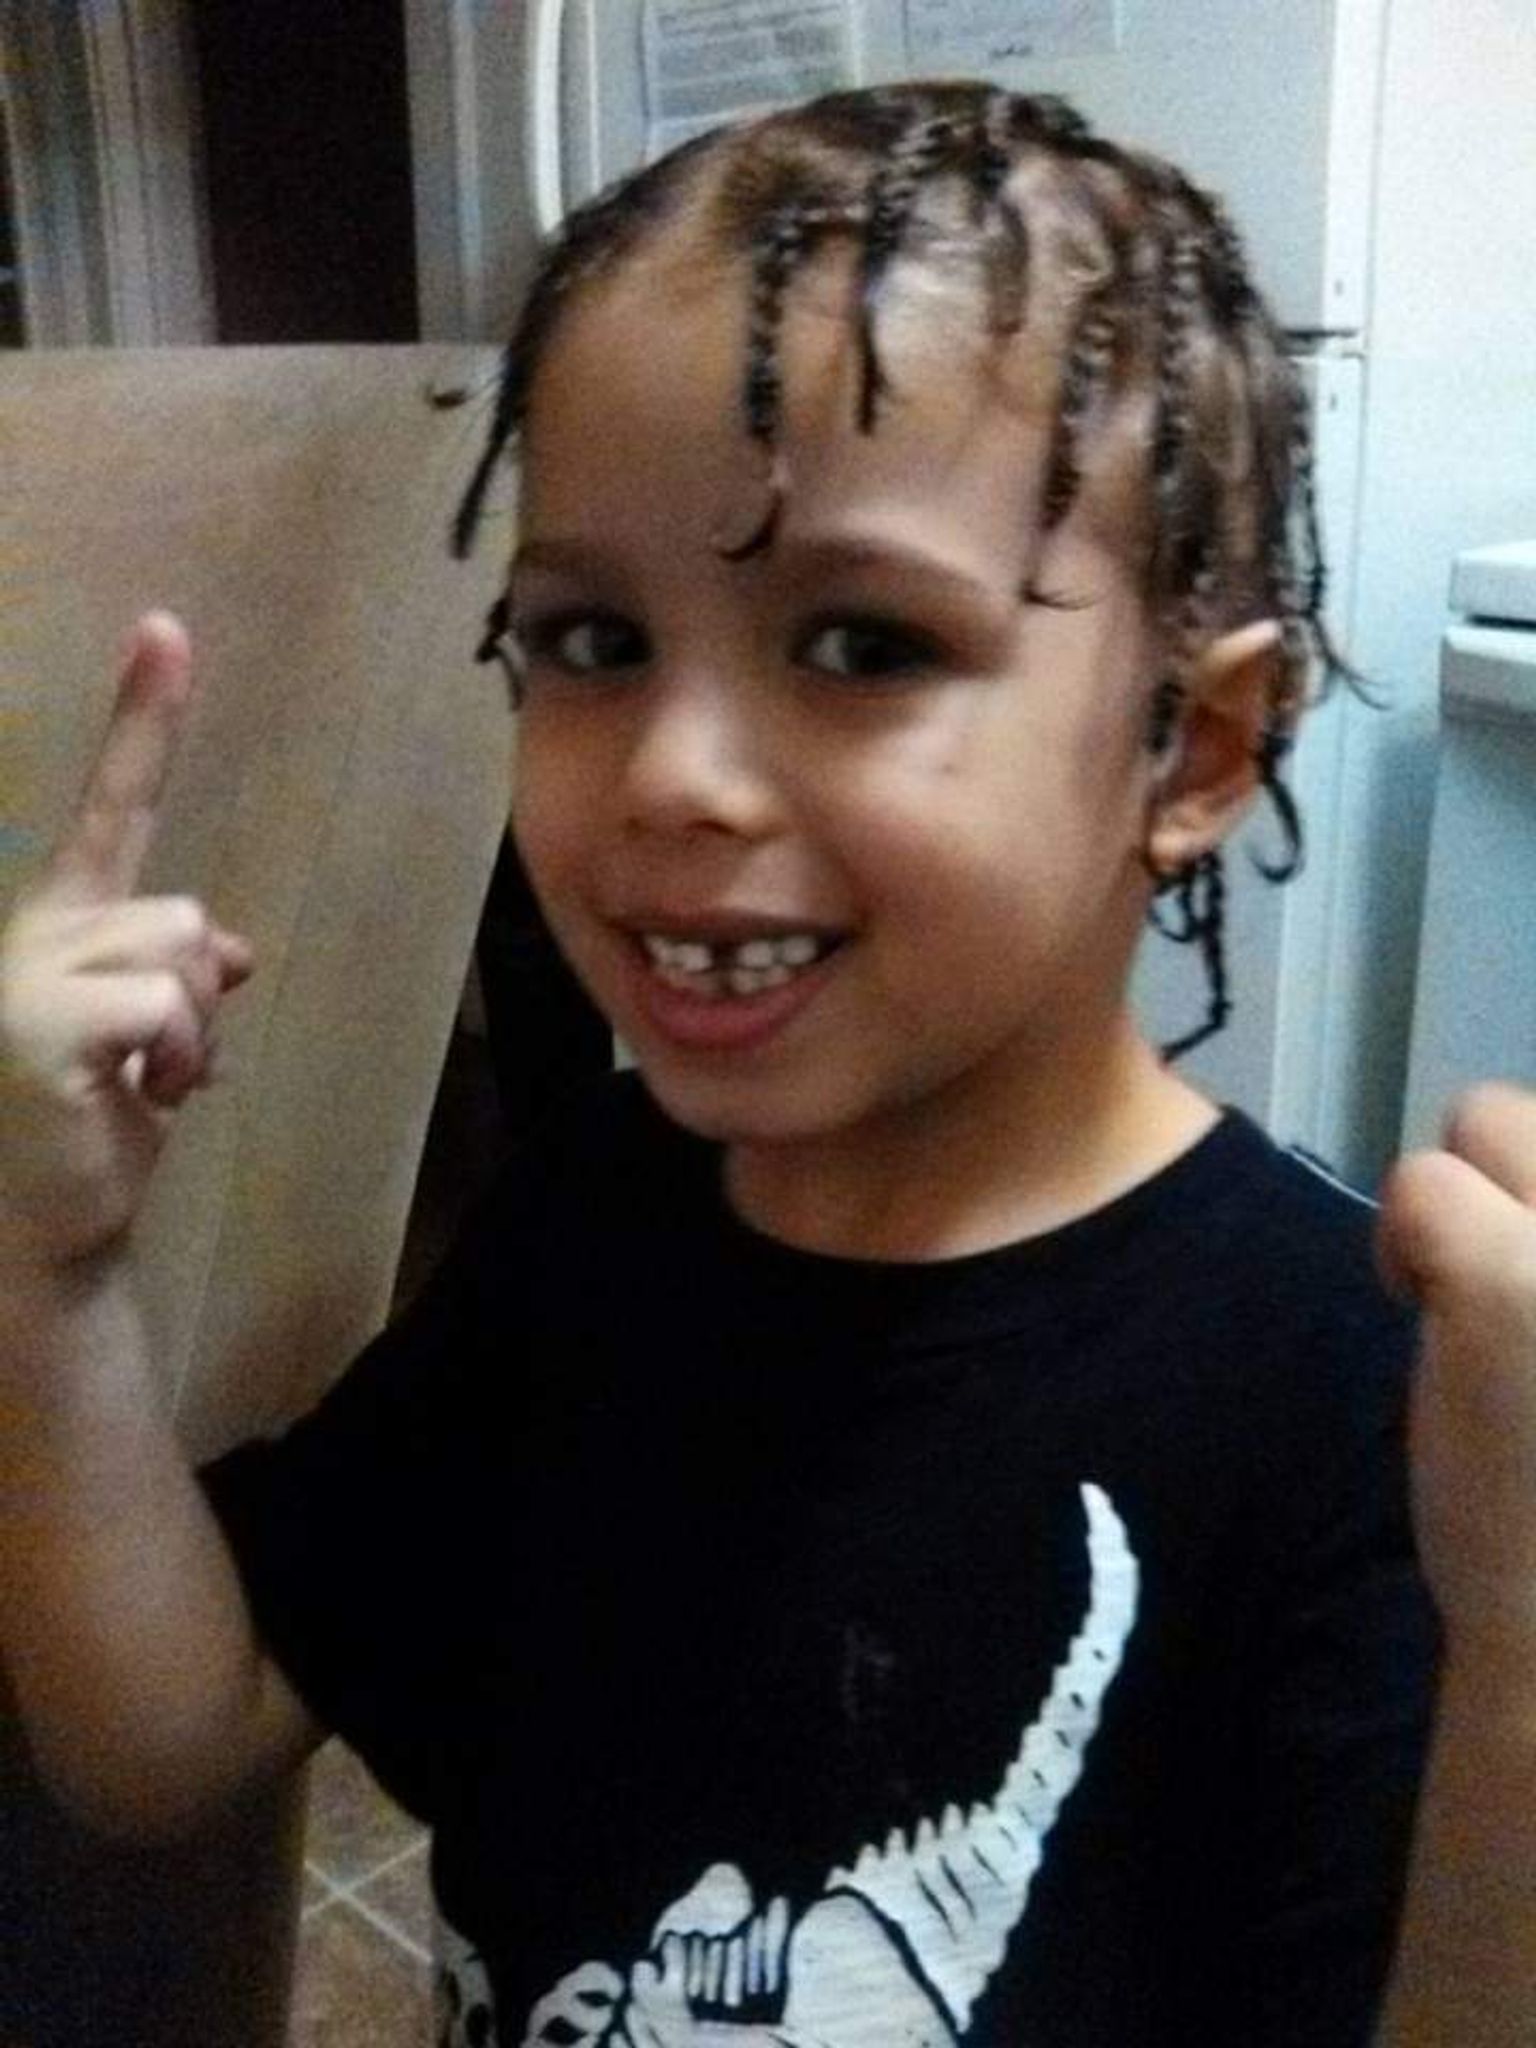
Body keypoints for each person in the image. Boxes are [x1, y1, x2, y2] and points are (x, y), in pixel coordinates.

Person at [1, 80, 1521, 2048]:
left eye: (864, 646)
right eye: (590, 642)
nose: (672, 776)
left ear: (1199, 748)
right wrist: (47, 1274)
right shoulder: (591, 1222)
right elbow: (163, 1737)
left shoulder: (1353, 1405)